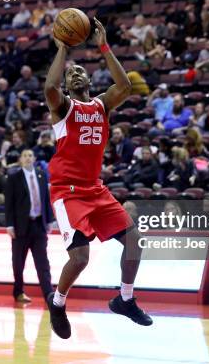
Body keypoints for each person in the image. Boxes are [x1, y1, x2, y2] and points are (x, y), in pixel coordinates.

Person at [43, 18, 152, 339]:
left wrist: (104, 46)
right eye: (69, 72)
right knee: (80, 258)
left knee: (134, 241)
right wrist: (62, 50)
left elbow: (126, 87)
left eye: (80, 70)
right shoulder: (63, 107)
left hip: (96, 190)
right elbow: (50, 87)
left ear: (89, 79)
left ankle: (125, 299)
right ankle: (58, 302)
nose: (75, 72)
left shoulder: (101, 105)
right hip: (67, 192)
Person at [5, 149, 54, 303]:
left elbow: (46, 199)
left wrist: (49, 220)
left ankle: (49, 294)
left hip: (39, 225)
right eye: (24, 155)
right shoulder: (14, 177)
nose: (27, 158)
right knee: (18, 263)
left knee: (43, 262)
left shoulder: (41, 175)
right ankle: (18, 292)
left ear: (34, 158)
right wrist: (9, 225)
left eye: (30, 155)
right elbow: (9, 203)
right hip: (20, 227)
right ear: (20, 159)